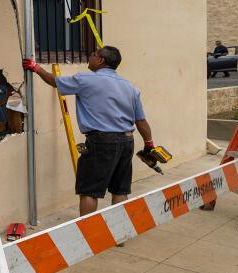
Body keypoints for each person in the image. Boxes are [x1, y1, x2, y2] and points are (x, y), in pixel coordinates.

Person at [23, 46, 155, 216]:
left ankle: (87, 236)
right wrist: (149, 143)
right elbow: (141, 121)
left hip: (101, 142)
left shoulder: (86, 79)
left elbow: (55, 81)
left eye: (93, 54)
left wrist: (36, 68)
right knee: (120, 190)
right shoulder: (130, 87)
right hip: (127, 141)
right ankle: (120, 233)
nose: (90, 56)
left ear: (101, 61)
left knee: (90, 191)